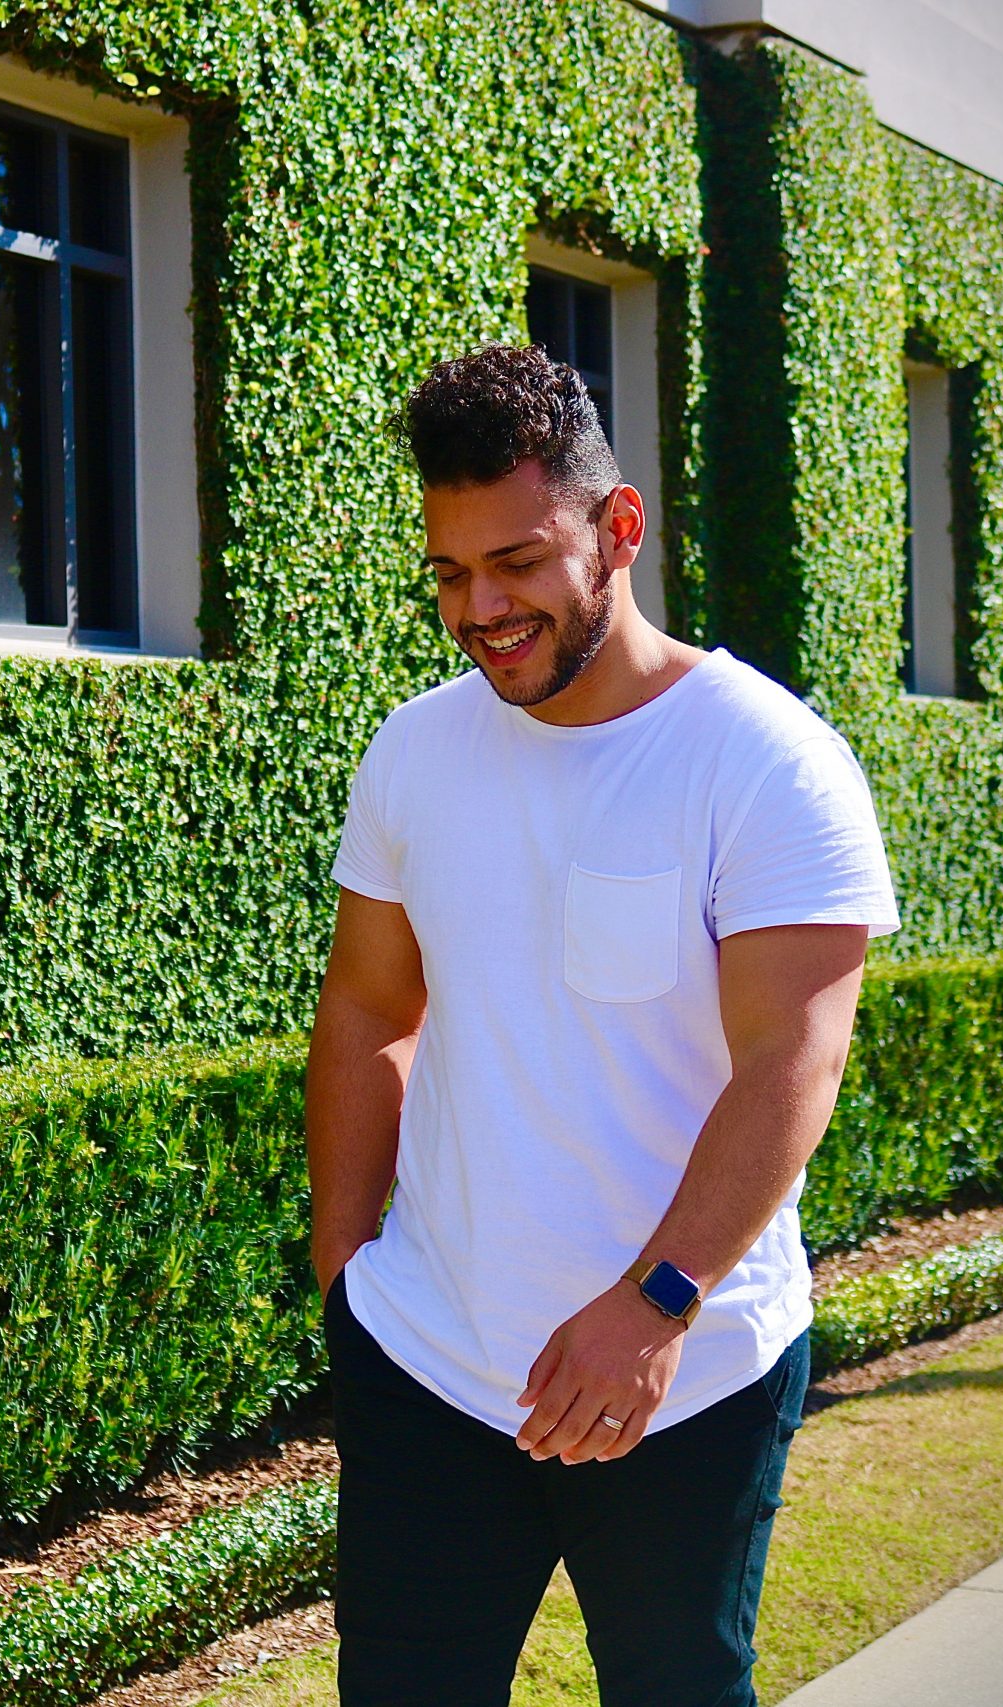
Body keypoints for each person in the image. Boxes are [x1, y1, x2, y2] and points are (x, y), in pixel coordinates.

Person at [305, 344, 900, 1707]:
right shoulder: (415, 751)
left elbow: (793, 1061)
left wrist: (656, 1302)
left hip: (686, 1372)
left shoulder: (765, 760)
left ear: (619, 528)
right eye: (451, 573)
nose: (480, 608)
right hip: (433, 1363)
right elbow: (371, 1005)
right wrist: (346, 1271)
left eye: (517, 563)